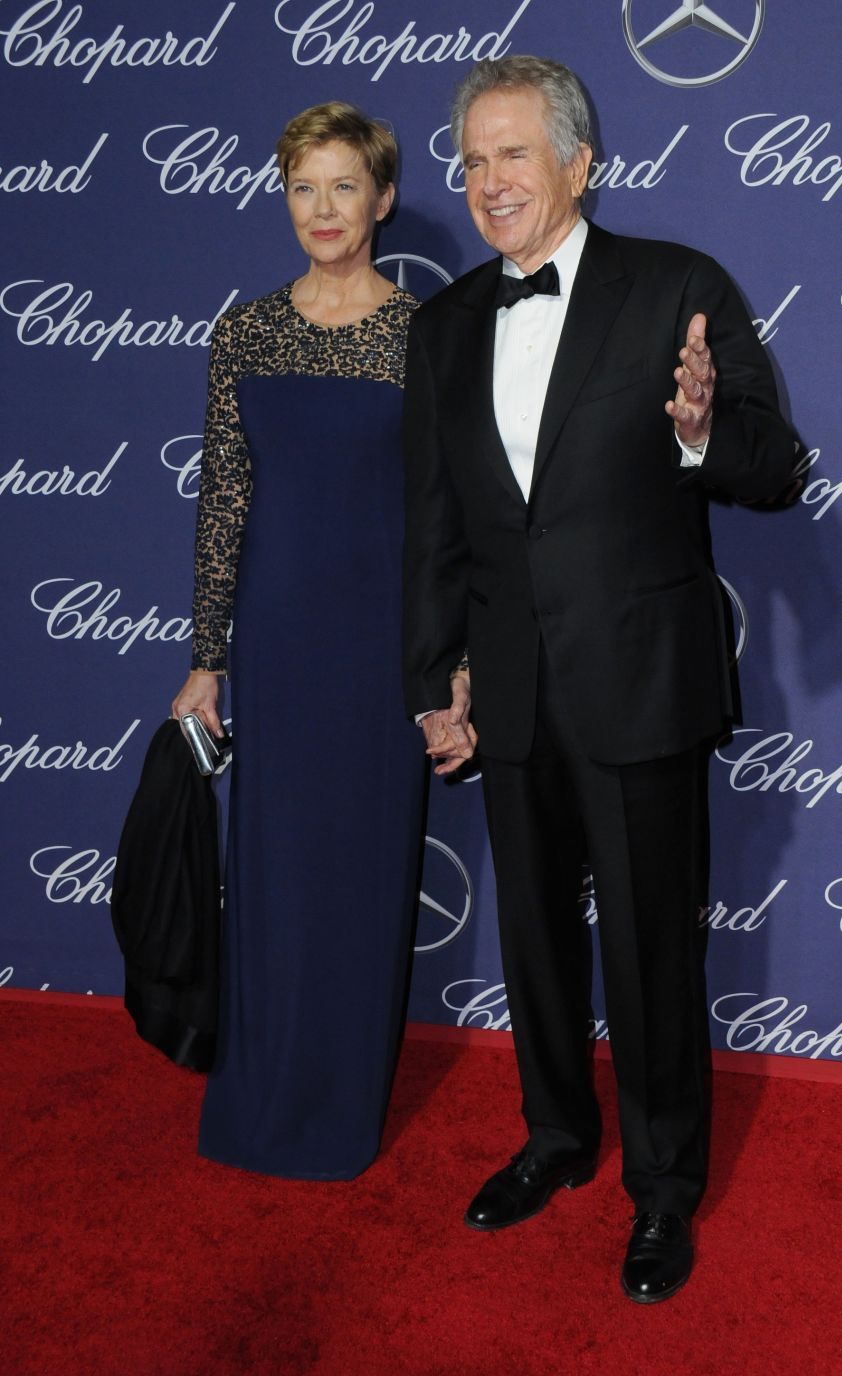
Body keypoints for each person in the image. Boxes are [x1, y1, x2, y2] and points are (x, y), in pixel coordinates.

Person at [402, 57, 798, 1301]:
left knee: (646, 952)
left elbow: (770, 463)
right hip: (508, 686)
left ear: (580, 161)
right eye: (471, 159)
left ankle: (663, 1187)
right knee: (532, 944)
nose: (488, 181)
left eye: (513, 153)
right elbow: (436, 526)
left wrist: (694, 428)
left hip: (639, 679)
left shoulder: (676, 286)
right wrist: (436, 676)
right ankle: (558, 1136)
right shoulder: (447, 321)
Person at [171, 101, 425, 1179]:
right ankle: (264, 1087)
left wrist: (445, 658)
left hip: (378, 640)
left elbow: (441, 510)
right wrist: (207, 652)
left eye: (341, 186)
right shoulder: (245, 330)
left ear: (381, 198)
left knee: (360, 869)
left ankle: (338, 1101)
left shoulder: (424, 332)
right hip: (276, 634)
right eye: (301, 188)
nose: (321, 209)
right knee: (273, 871)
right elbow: (225, 497)